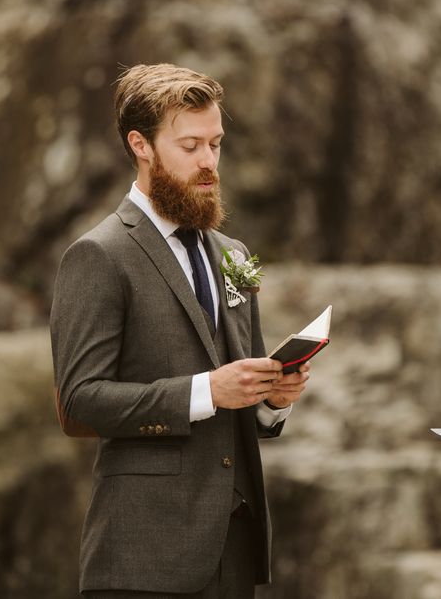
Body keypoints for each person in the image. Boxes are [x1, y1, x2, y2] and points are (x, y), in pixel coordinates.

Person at [51, 63, 310, 598]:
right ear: (140, 145)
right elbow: (79, 401)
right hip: (142, 557)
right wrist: (206, 391)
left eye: (215, 144)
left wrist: (273, 399)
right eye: (190, 146)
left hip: (233, 552)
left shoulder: (232, 255)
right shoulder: (99, 255)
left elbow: (245, 406)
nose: (209, 162)